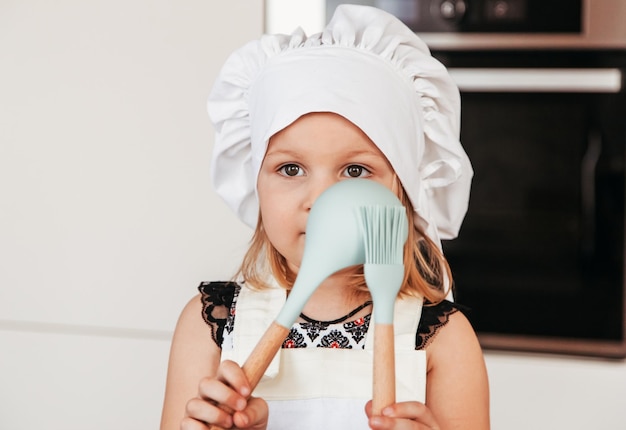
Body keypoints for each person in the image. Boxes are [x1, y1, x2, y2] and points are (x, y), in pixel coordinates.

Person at [160, 5, 489, 430]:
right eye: (290, 169)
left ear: (403, 190)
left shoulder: (442, 338)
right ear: (254, 181)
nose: (321, 200)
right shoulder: (211, 325)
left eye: (355, 171)